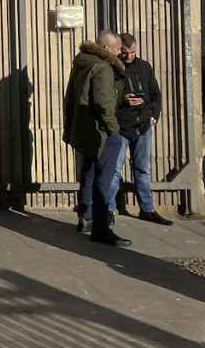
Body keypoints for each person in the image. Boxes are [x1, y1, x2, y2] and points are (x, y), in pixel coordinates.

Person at [63, 30, 131, 246]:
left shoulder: (83, 63)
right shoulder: (103, 67)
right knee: (104, 179)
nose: (120, 52)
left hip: (83, 128)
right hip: (100, 132)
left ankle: (86, 216)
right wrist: (114, 130)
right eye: (118, 48)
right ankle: (101, 228)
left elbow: (70, 97)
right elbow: (103, 104)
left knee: (89, 173)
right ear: (107, 48)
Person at [114, 33, 172, 226]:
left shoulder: (144, 67)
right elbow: (107, 98)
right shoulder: (113, 67)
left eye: (133, 52)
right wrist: (123, 100)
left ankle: (147, 209)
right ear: (119, 50)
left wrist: (153, 116)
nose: (129, 56)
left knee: (143, 169)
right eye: (125, 52)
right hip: (121, 125)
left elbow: (156, 94)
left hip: (143, 124)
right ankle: (108, 210)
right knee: (114, 169)